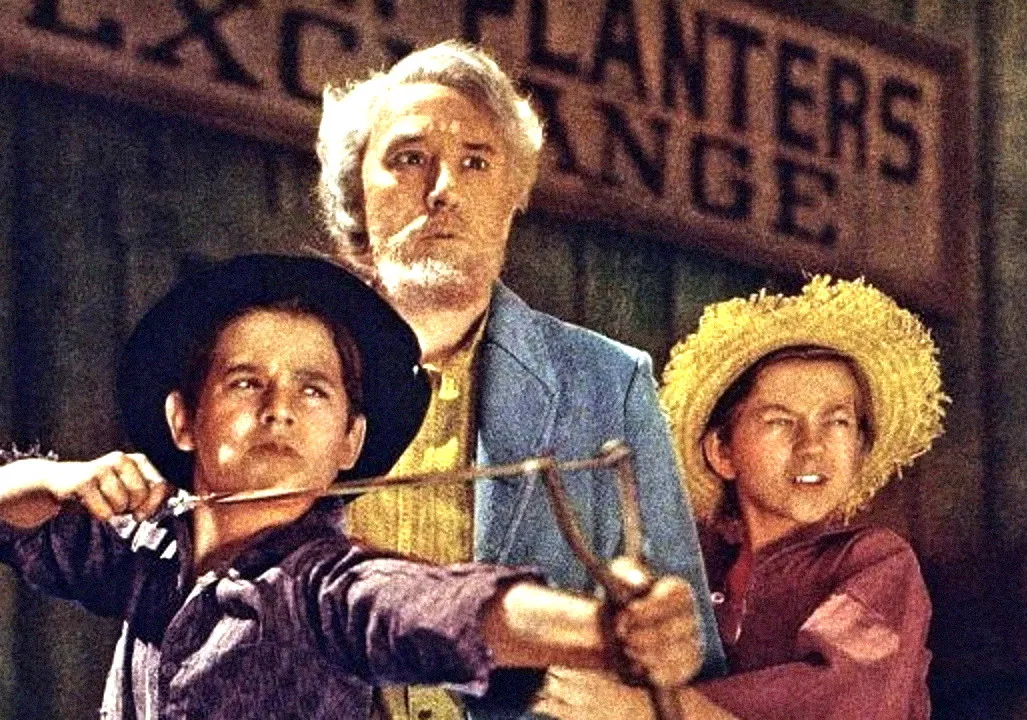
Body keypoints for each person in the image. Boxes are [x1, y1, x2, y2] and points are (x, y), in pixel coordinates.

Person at [0, 254, 702, 720]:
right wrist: (57, 479)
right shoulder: (142, 554)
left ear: (350, 442)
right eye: (245, 382)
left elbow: (440, 606)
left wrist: (607, 630)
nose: (279, 409)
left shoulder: (327, 586)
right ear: (183, 420)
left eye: (313, 389)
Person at [315, 39, 724, 719]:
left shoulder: (609, 384)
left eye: (476, 162)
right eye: (409, 158)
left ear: (512, 199)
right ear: (357, 196)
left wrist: (642, 682)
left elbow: (687, 670)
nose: (443, 190)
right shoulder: (274, 373)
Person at [535, 276, 946, 720]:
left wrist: (645, 711)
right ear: (722, 452)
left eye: (838, 422)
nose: (812, 446)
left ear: (860, 448)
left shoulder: (875, 562)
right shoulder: (691, 562)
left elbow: (848, 700)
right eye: (779, 421)